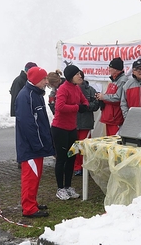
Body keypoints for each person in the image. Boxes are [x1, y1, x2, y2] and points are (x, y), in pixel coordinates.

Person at [15, 66, 55, 218]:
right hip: (31, 146)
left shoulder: (36, 94)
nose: (46, 81)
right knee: (30, 177)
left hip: (37, 145)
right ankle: (29, 208)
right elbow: (28, 124)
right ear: (36, 80)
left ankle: (31, 201)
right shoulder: (26, 96)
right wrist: (38, 145)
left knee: (36, 176)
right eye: (44, 79)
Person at [51, 65, 89, 200]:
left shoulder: (76, 88)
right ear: (70, 76)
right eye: (77, 74)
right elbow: (59, 107)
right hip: (60, 128)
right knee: (61, 159)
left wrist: (84, 105)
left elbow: (84, 101)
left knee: (71, 157)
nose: (80, 76)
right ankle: (60, 188)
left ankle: (68, 186)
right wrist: (77, 107)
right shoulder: (63, 88)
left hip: (72, 128)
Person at [74, 70, 100, 176]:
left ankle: (86, 166)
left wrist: (86, 106)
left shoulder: (90, 90)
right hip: (73, 124)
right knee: (75, 147)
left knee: (85, 147)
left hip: (86, 123)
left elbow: (96, 104)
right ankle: (76, 167)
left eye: (80, 77)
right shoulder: (69, 89)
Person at [95, 57, 128, 136]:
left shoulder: (122, 81)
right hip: (110, 118)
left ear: (116, 69)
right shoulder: (114, 81)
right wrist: (100, 97)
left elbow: (118, 98)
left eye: (110, 67)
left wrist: (103, 97)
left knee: (115, 142)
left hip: (116, 119)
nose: (109, 69)